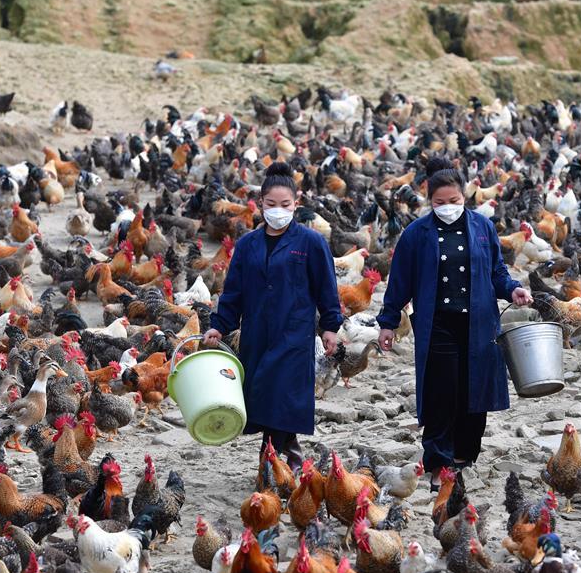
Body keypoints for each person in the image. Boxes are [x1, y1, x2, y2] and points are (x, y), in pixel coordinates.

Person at [376, 157, 533, 489]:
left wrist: (513, 289)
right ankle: (438, 462)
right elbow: (400, 283)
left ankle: (464, 455)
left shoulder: (482, 228)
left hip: (479, 322)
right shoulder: (416, 235)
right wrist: (388, 322)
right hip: (437, 324)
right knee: (441, 392)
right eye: (439, 202)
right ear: (429, 201)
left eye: (454, 200)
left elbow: (496, 272)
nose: (447, 207)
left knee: (474, 388)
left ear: (465, 196)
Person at [203, 162, 343, 472]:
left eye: (285, 205)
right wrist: (219, 326)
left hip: (294, 334)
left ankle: (277, 461)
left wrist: (330, 326)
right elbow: (233, 292)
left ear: (296, 203)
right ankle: (285, 459)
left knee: (284, 395)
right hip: (256, 333)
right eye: (271, 204)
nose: (278, 210)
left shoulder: (311, 243)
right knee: (264, 396)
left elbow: (326, 288)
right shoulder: (247, 245)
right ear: (261, 203)